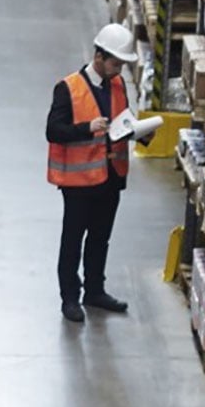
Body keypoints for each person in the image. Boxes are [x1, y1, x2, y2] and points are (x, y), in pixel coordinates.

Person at [46, 24, 140, 324]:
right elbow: (53, 130)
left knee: (101, 237)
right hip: (79, 182)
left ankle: (95, 291)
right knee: (73, 240)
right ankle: (70, 298)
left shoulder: (117, 84)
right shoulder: (68, 88)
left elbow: (122, 120)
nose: (119, 70)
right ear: (99, 56)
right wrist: (87, 128)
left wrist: (137, 131)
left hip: (110, 176)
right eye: (115, 63)